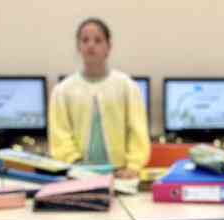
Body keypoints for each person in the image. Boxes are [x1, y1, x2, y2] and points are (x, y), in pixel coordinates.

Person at [49, 18, 151, 178]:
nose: (91, 45)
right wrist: (74, 163)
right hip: (78, 174)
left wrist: (133, 166)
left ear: (108, 47)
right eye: (85, 40)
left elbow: (138, 131)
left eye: (98, 40)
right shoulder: (63, 91)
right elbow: (59, 134)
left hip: (121, 174)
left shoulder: (127, 86)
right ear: (78, 46)